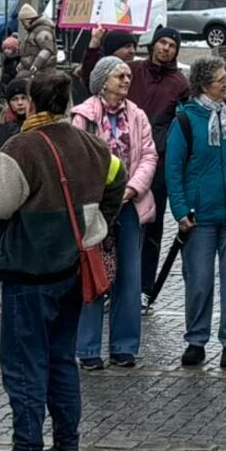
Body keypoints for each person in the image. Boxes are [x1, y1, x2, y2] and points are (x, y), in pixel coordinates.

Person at [0, 70, 124, 451]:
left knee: (24, 362)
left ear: (31, 102)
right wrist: (95, 225)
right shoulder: (92, 144)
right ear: (66, 102)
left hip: (29, 270)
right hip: (74, 265)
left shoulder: (21, 147)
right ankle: (67, 447)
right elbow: (117, 182)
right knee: (61, 358)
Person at [169, 56, 226, 370]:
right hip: (199, 218)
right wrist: (180, 209)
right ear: (205, 85)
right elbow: (173, 170)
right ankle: (196, 340)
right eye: (221, 80)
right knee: (200, 282)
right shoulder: (185, 121)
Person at [72, 55, 156, 368]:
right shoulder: (83, 117)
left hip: (130, 205)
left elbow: (148, 156)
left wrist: (131, 188)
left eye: (127, 76)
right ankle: (89, 349)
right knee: (94, 273)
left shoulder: (138, 115)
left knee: (129, 278)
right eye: (118, 75)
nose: (125, 80)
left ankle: (124, 346)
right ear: (102, 80)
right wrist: (101, 193)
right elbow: (77, 159)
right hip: (95, 207)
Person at [129, 27, 191, 293]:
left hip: (159, 161)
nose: (166, 48)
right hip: (126, 156)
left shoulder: (180, 83)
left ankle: (144, 287)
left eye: (171, 45)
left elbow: (184, 122)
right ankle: (116, 284)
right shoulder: (131, 71)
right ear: (153, 44)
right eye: (162, 42)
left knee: (152, 226)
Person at [15, 3, 60, 80]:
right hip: (36, 70)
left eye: (23, 22)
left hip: (42, 71)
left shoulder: (42, 31)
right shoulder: (34, 31)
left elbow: (47, 50)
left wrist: (36, 64)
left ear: (28, 20)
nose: (23, 25)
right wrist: (23, 64)